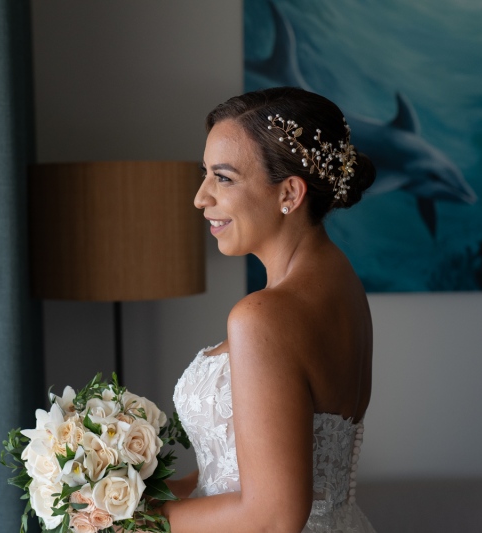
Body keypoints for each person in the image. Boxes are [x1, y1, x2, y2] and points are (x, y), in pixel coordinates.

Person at [161, 87, 376, 532]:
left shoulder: (264, 316)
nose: (201, 198)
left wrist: (131, 522)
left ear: (290, 194)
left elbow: (272, 516)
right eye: (205, 174)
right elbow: (231, 474)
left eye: (223, 177)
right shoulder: (343, 285)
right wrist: (118, 494)